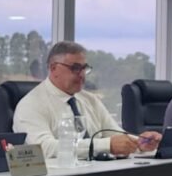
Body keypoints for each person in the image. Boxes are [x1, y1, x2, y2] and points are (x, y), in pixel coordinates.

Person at [13, 41, 161, 159]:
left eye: (84, 68)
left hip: (99, 174)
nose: (82, 74)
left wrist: (141, 143)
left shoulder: (89, 99)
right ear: (53, 68)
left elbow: (115, 135)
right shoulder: (31, 105)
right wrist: (106, 146)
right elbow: (44, 149)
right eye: (75, 68)